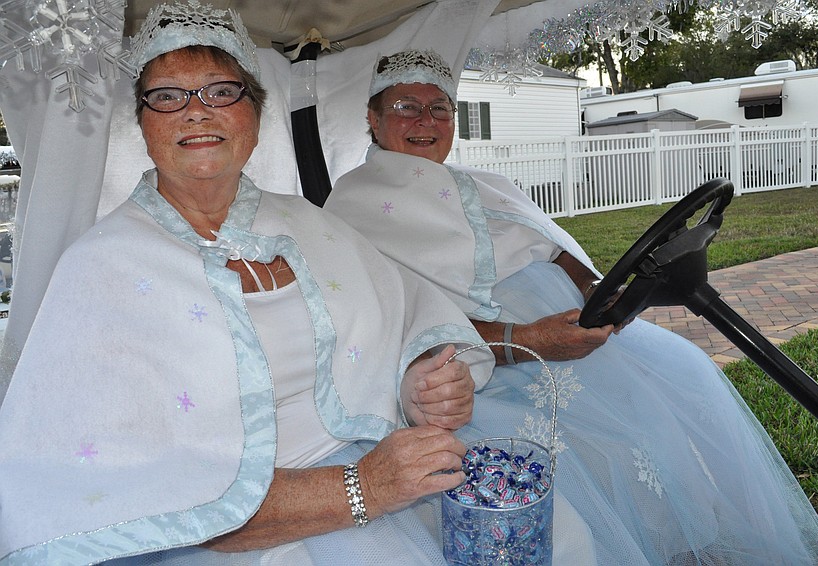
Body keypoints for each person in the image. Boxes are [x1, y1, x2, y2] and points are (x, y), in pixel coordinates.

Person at [0, 6, 601, 565]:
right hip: (256, 530)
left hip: (382, 461)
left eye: (221, 90)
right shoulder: (100, 269)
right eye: (167, 96)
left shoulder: (306, 222)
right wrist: (361, 488)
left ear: (253, 118)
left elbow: (405, 315)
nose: (197, 109)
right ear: (143, 124)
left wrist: (420, 380)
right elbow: (131, 488)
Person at [325, 49, 818, 565]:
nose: (425, 121)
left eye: (439, 108)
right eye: (405, 106)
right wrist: (529, 340)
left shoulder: (484, 183)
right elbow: (399, 324)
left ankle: (685, 543)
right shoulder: (350, 207)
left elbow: (555, 249)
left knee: (684, 380)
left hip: (571, 329)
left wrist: (596, 290)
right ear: (372, 119)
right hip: (483, 362)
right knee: (610, 447)